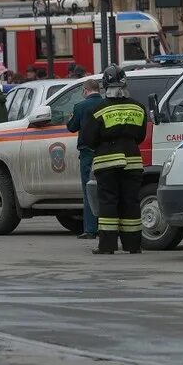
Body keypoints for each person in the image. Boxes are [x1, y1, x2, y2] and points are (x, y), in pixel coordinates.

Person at [80, 65, 146, 255]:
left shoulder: (98, 110)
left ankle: (107, 246)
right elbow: (140, 136)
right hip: (133, 160)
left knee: (108, 202)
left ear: (105, 86)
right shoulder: (138, 107)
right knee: (131, 202)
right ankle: (133, 245)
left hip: (107, 162)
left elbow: (88, 139)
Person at [67, 78, 102, 240]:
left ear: (85, 90)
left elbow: (72, 127)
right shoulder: (106, 104)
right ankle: (107, 226)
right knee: (106, 190)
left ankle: (90, 228)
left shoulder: (80, 106)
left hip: (88, 153)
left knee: (88, 190)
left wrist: (70, 117)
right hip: (105, 151)